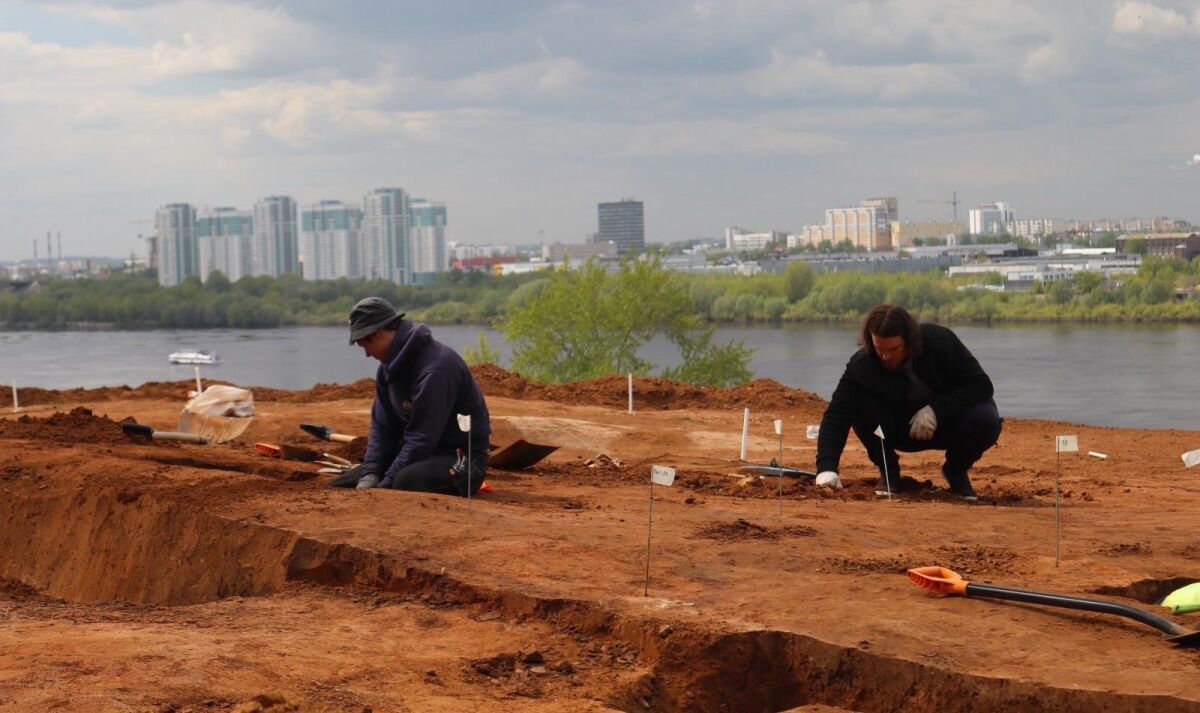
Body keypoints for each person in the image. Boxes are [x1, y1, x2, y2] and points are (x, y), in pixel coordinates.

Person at [814, 304, 1001, 501]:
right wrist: (826, 468)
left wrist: (936, 410)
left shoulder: (940, 341)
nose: (886, 356)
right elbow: (837, 414)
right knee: (858, 403)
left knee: (986, 419)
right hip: (896, 431)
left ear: (909, 340)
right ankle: (890, 473)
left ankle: (955, 471)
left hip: (947, 425)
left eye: (894, 349)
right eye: (879, 349)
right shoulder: (861, 365)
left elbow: (981, 385)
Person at [345, 296, 491, 496]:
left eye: (364, 346)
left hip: (462, 460)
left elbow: (421, 438)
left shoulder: (436, 370)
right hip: (424, 455)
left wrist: (384, 486)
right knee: (348, 481)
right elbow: (383, 427)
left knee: (405, 481)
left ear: (376, 334)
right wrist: (370, 473)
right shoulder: (388, 369)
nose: (367, 355)